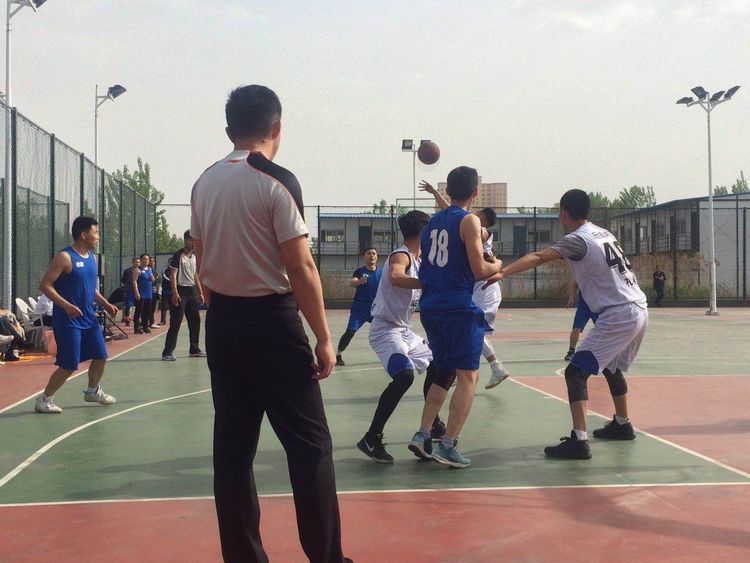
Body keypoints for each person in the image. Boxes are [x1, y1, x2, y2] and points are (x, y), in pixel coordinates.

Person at [190, 84, 349, 563]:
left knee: (233, 453)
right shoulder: (277, 181)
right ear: (276, 127)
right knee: (310, 447)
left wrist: (222, 306)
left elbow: (201, 257)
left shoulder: (203, 183)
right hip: (273, 323)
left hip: (223, 322)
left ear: (229, 131)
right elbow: (300, 266)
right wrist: (324, 338)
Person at [485, 189, 648, 459]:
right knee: (611, 368)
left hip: (618, 312)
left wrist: (502, 272)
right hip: (637, 307)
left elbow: (539, 257)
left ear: (563, 212)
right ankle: (622, 424)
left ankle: (579, 441)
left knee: (575, 373)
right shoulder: (603, 233)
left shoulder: (577, 239)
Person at [408, 166, 503, 469]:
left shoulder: (432, 223)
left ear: (448, 191)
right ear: (476, 191)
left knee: (444, 372)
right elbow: (479, 270)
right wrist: (497, 265)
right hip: (457, 306)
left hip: (431, 306)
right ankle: (448, 445)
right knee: (468, 377)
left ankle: (423, 434)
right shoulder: (469, 220)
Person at [357, 210, 444, 463]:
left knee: (439, 365)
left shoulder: (421, 260)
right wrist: (426, 284)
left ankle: (433, 423)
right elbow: (395, 276)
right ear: (424, 232)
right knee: (404, 376)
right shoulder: (401, 255)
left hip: (404, 331)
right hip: (385, 329)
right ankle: (371, 437)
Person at [420, 180, 509, 389]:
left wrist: (497, 265)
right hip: (473, 285)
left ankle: (493, 368)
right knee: (467, 331)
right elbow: (451, 212)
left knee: (472, 330)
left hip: (485, 286)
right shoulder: (465, 222)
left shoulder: (481, 230)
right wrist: (435, 193)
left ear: (484, 219)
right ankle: (468, 370)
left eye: (479, 214)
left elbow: (453, 215)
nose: (474, 214)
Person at [34, 216, 119, 414]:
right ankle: (44, 399)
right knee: (69, 365)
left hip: (89, 318)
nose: (98, 237)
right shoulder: (65, 257)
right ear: (83, 234)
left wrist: (106, 304)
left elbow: (90, 288)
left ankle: (92, 391)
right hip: (68, 320)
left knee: (101, 356)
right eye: (95, 232)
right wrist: (66, 305)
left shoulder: (91, 258)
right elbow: (45, 285)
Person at [161, 231, 206, 361]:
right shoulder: (178, 255)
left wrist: (200, 292)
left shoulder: (194, 257)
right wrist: (175, 293)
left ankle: (194, 349)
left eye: (195, 240)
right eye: (192, 240)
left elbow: (195, 275)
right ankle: (167, 352)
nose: (194, 243)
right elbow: (173, 275)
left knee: (195, 320)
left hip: (192, 292)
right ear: (185, 240)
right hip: (180, 291)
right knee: (176, 322)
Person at [335, 247, 382, 366]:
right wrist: (359, 281)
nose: (372, 256)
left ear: (377, 257)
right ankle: (338, 355)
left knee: (385, 332)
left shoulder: (382, 273)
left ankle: (388, 354)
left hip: (375, 310)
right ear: (364, 256)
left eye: (374, 253)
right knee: (350, 331)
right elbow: (352, 283)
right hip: (359, 310)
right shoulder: (359, 272)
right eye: (369, 253)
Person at [564, 279, 599, 361]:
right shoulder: (583, 273)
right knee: (576, 329)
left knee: (602, 331)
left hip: (598, 307)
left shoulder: (602, 275)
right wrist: (571, 298)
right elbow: (574, 283)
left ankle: (602, 352)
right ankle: (571, 351)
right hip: (584, 308)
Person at [133, 254, 155, 334]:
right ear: (141, 260)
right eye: (144, 259)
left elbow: (152, 279)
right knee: (139, 310)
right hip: (141, 293)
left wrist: (153, 279)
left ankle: (145, 326)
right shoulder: (137, 270)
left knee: (147, 311)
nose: (146, 261)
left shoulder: (150, 269)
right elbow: (134, 281)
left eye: (147, 259)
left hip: (149, 294)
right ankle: (137, 327)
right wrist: (136, 292)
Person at [121, 257, 140, 326]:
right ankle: (127, 320)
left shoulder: (140, 271)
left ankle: (137, 319)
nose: (137, 263)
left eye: (138, 262)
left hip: (138, 291)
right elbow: (123, 280)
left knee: (138, 305)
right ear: (132, 262)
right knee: (128, 305)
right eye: (136, 262)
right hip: (129, 291)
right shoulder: (127, 271)